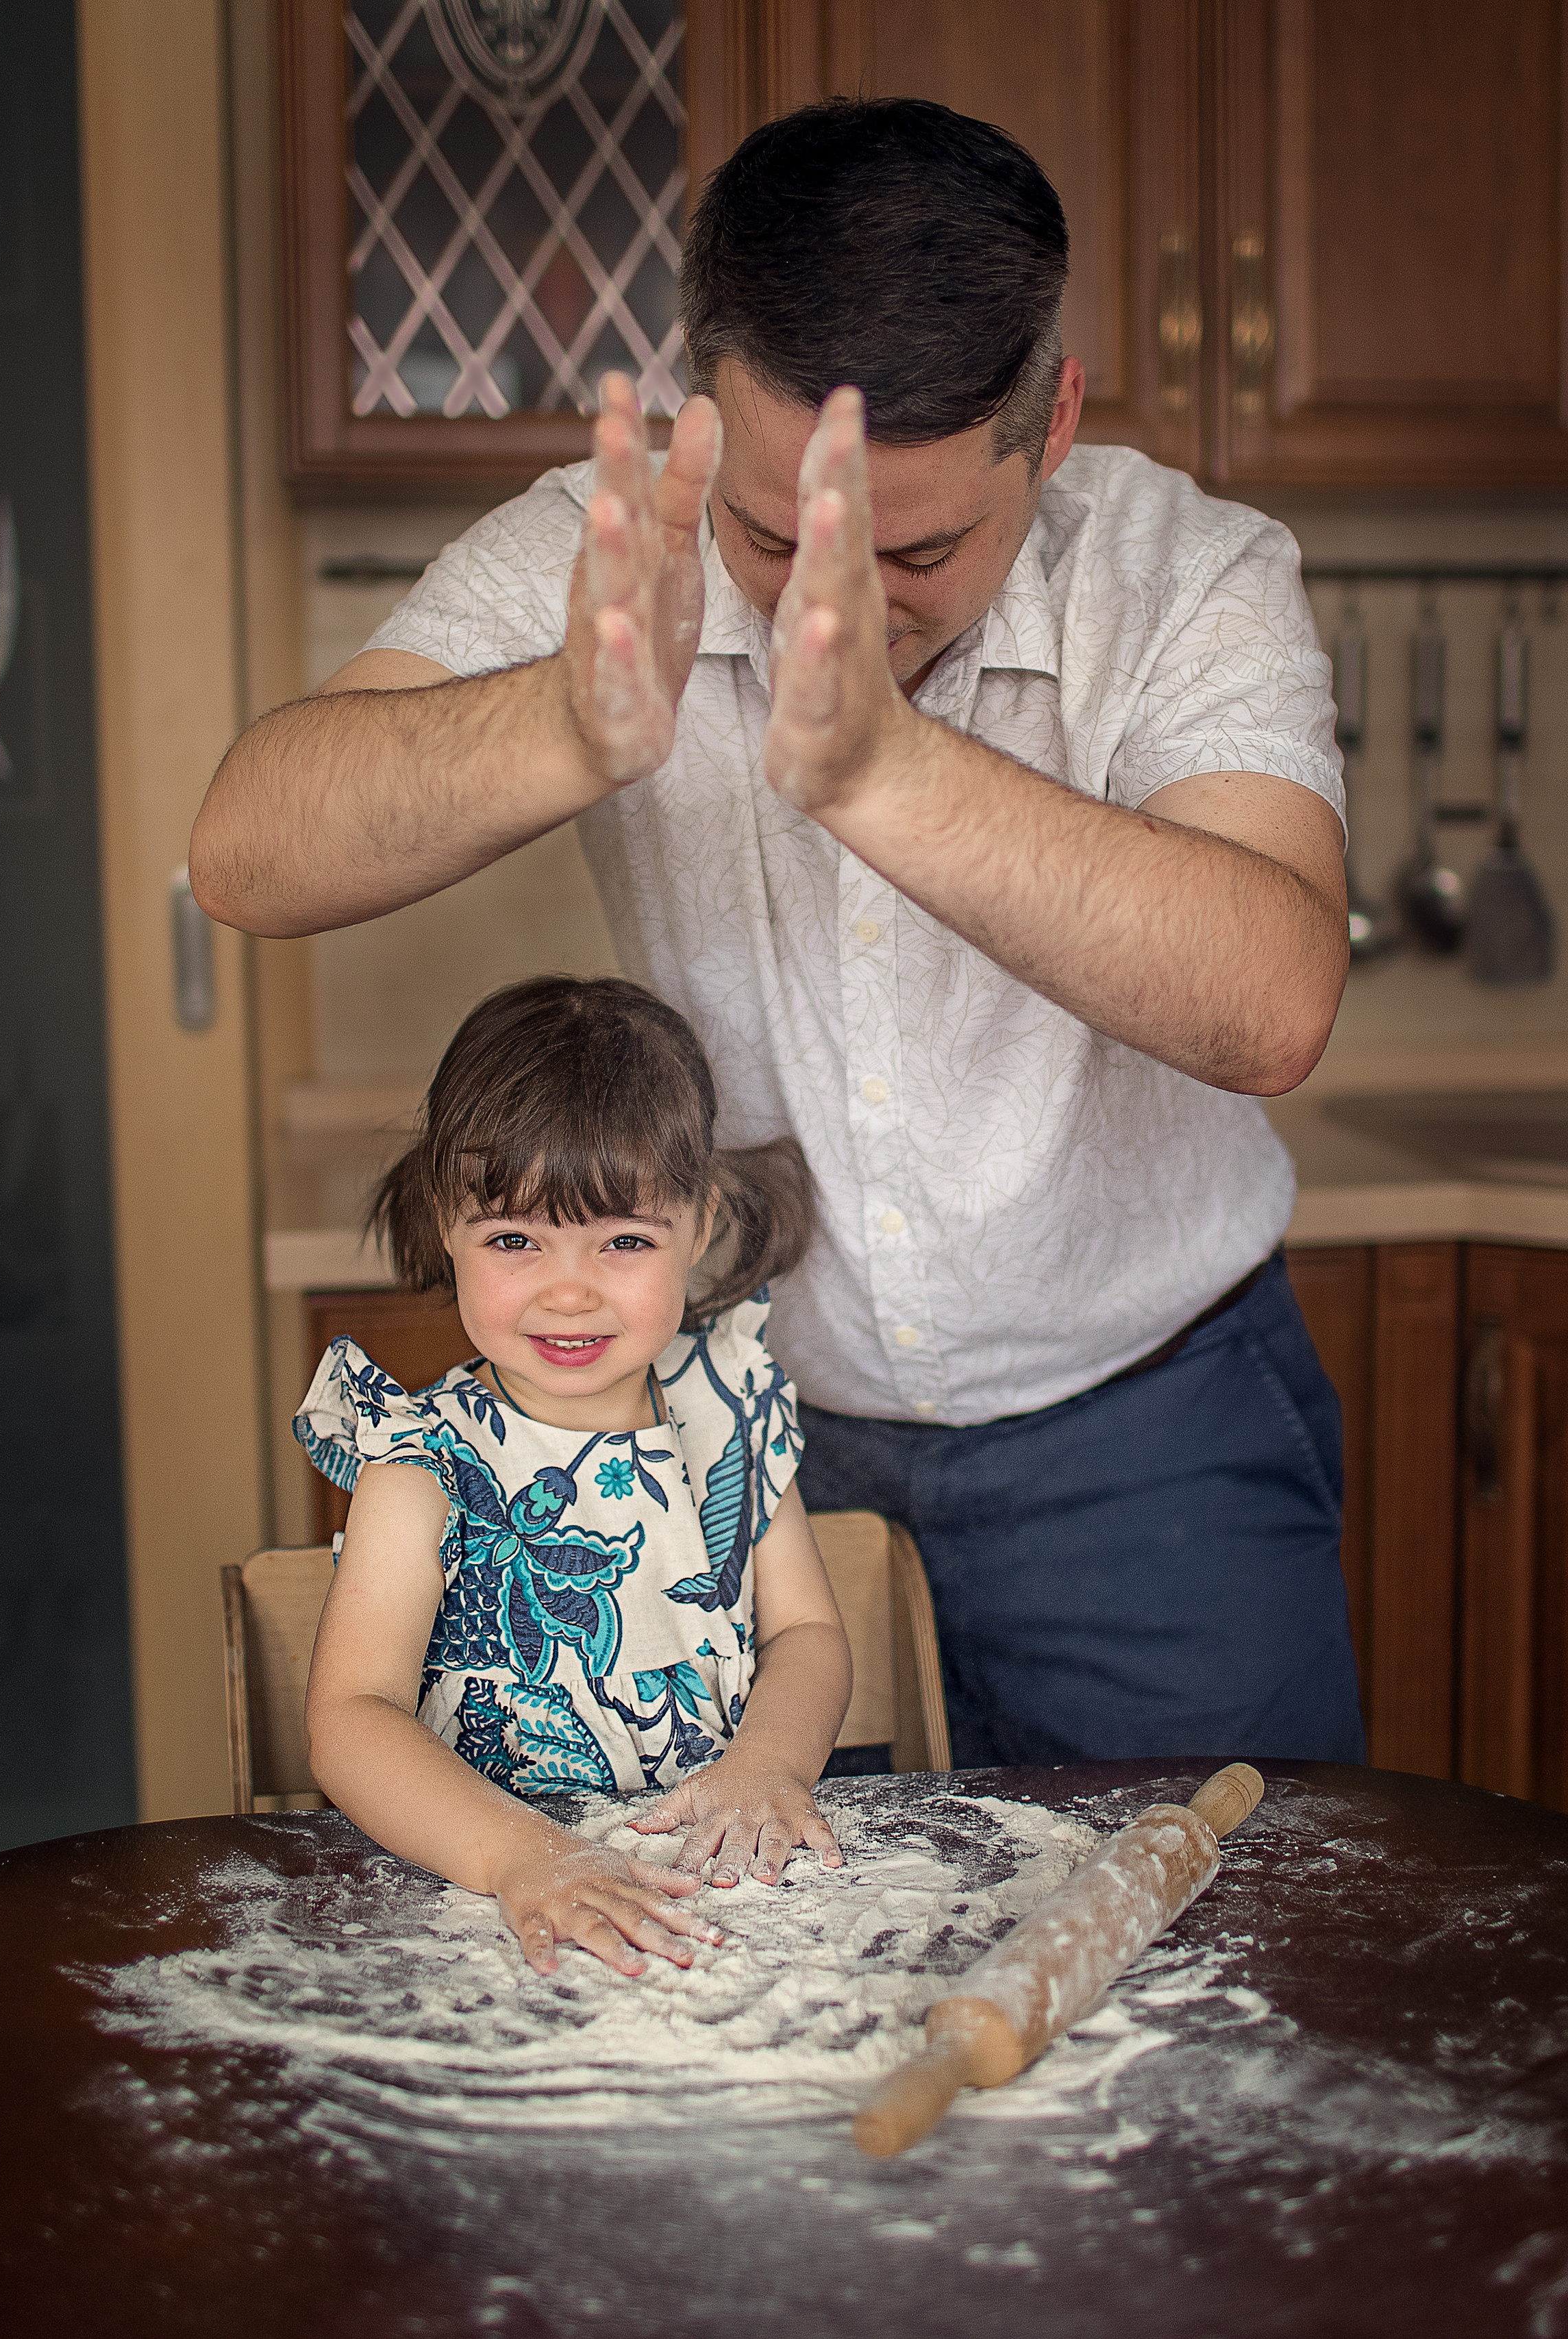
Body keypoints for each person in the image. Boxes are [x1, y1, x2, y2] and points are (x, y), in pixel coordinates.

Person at [196, 98, 1364, 1769]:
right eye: (768, 533)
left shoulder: (1190, 573)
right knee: (797, 1991)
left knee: (1221, 1969)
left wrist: (886, 767)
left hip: (1150, 1443)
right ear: (701, 415)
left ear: (1054, 420)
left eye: (921, 549)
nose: (835, 597)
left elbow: (1269, 1004)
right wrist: (561, 724)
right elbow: (248, 854)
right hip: (738, 1449)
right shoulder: (604, 544)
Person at [297, 975, 853, 1979]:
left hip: (719, 1909)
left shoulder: (724, 1416)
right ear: (446, 1221)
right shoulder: (424, 1465)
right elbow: (351, 1717)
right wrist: (523, 1857)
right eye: (515, 1238)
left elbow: (805, 1630)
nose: (568, 1288)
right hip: (498, 1921)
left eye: (625, 1241)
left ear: (701, 1224)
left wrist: (769, 1765)